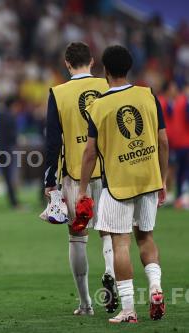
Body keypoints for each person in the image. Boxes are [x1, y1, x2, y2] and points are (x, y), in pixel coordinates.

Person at [79, 45, 168, 323]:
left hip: (118, 184)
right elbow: (163, 141)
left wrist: (82, 189)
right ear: (129, 67)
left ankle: (129, 309)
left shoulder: (99, 106)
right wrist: (162, 179)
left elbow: (91, 152)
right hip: (148, 178)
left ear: (105, 70)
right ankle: (155, 287)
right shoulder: (148, 96)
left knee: (120, 244)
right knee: (146, 237)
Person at [44, 42, 116, 315]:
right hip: (110, 173)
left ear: (67, 63)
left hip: (75, 174)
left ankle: (86, 303)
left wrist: (49, 181)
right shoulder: (108, 88)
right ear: (92, 61)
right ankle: (110, 271)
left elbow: (52, 142)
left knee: (77, 235)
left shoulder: (58, 93)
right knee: (110, 232)